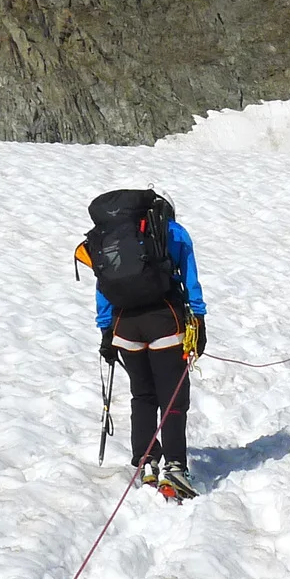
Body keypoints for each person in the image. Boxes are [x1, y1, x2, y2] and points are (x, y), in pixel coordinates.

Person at [86, 189, 207, 498]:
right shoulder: (172, 232)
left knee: (142, 396)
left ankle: (146, 461)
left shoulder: (109, 238)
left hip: (124, 325)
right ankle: (175, 467)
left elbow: (103, 286)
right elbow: (189, 278)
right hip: (165, 320)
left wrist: (106, 332)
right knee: (173, 398)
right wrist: (199, 319)